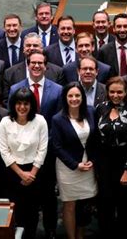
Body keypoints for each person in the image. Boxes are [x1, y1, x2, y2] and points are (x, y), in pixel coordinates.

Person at [0, 87, 48, 239]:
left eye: (26, 103)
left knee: (32, 212)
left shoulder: (40, 121)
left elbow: (42, 148)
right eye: (19, 103)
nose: (22, 107)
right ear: (13, 104)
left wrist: (31, 174)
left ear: (31, 105)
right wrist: (21, 173)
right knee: (15, 212)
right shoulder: (6, 122)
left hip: (34, 172)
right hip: (13, 172)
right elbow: (4, 151)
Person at [51, 83, 98, 239]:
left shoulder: (91, 112)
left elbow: (96, 139)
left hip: (88, 165)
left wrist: (92, 159)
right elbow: (56, 147)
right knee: (69, 205)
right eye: (70, 95)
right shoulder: (58, 119)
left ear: (82, 97)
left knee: (85, 204)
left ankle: (81, 235)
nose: (74, 98)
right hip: (68, 168)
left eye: (77, 95)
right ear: (65, 98)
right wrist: (75, 164)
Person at [95, 77, 127, 238]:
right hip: (104, 163)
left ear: (126, 92)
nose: (116, 95)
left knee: (124, 207)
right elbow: (95, 138)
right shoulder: (100, 109)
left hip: (124, 162)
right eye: (112, 91)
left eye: (119, 92)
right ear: (107, 92)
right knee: (105, 205)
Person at [97, 13, 127, 77]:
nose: (122, 30)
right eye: (119, 26)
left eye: (125, 26)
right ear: (114, 29)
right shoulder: (104, 51)